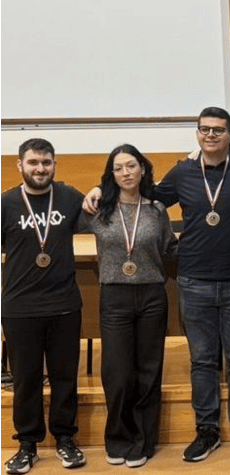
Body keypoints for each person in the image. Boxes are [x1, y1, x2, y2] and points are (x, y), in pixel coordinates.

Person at [83, 106, 230, 462]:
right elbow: (146, 192)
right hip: (194, 281)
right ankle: (206, 430)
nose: (211, 135)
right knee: (202, 361)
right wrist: (100, 188)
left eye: (218, 129)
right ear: (197, 133)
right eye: (204, 129)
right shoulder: (183, 171)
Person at [82, 144, 177, 468]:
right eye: (119, 168)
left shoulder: (156, 210)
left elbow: (169, 247)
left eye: (131, 165)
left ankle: (143, 441)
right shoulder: (98, 210)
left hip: (151, 295)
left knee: (148, 371)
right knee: (118, 373)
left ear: (143, 169)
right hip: (115, 296)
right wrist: (94, 190)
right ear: (111, 174)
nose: (126, 172)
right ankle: (118, 438)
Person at [2, 138, 87, 473]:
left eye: (46, 162)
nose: (40, 169)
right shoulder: (6, 203)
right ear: (20, 165)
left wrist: (98, 190)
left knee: (65, 378)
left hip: (64, 304)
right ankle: (27, 444)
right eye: (33, 162)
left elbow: (104, 209)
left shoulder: (69, 198)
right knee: (26, 379)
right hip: (19, 307)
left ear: (55, 165)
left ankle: (65, 439)